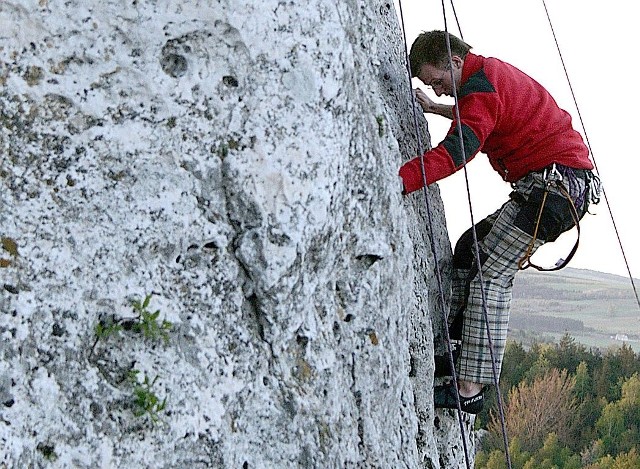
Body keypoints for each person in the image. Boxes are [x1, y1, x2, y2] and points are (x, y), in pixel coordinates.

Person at [398, 30, 599, 414]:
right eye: (431, 86)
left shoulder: (482, 88)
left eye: (438, 82)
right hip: (556, 188)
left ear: (455, 62)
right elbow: (484, 113)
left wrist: (401, 180)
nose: (439, 92)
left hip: (552, 192)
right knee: (469, 249)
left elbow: (456, 152)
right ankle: (457, 350)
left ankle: (470, 388)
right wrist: (439, 110)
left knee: (492, 271)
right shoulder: (485, 77)